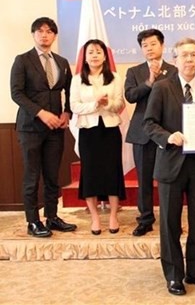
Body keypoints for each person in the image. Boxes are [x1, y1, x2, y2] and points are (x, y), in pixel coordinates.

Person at [143, 38, 195, 296]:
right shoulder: (162, 88)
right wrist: (168, 137)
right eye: (184, 55)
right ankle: (174, 275)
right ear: (175, 60)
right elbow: (149, 124)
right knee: (169, 223)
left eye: (194, 55)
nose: (189, 59)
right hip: (171, 164)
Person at [10, 17, 77, 238]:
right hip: (30, 127)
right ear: (33, 35)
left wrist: (67, 112)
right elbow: (17, 93)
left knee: (52, 175)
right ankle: (33, 221)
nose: (44, 35)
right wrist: (41, 113)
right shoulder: (22, 60)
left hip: (55, 129)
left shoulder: (61, 61)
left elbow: (70, 91)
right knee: (31, 175)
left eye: (49, 31)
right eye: (40, 31)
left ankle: (52, 217)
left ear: (54, 36)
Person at [70, 39, 126, 235]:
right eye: (91, 52)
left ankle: (113, 216)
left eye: (98, 52)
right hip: (88, 131)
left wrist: (107, 103)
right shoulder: (77, 79)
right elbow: (74, 106)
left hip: (109, 130)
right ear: (85, 57)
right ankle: (95, 218)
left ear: (105, 56)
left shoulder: (115, 78)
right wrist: (95, 104)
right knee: (91, 174)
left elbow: (119, 104)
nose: (94, 55)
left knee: (112, 172)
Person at [125, 29, 177, 236]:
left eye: (153, 44)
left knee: (170, 180)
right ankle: (145, 218)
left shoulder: (173, 71)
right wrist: (149, 81)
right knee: (144, 179)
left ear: (162, 46)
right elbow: (130, 96)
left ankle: (170, 220)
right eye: (145, 45)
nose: (149, 48)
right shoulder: (134, 71)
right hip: (142, 132)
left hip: (168, 132)